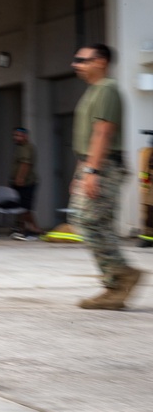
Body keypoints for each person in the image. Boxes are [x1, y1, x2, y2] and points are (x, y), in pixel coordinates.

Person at [70, 43, 143, 310]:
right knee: (88, 220)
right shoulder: (94, 91)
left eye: (82, 59)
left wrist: (93, 171)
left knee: (89, 220)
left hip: (106, 166)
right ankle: (115, 284)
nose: (75, 64)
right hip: (96, 165)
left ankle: (120, 277)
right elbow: (89, 138)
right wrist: (81, 171)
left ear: (100, 61)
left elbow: (103, 132)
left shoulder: (107, 89)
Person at [9, 127, 40, 240]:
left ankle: (35, 229)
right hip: (21, 182)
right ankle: (22, 229)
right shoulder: (20, 147)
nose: (16, 138)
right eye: (15, 135)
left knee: (25, 207)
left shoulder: (26, 148)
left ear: (25, 136)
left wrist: (20, 178)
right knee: (21, 207)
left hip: (26, 182)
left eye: (19, 135)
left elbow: (25, 164)